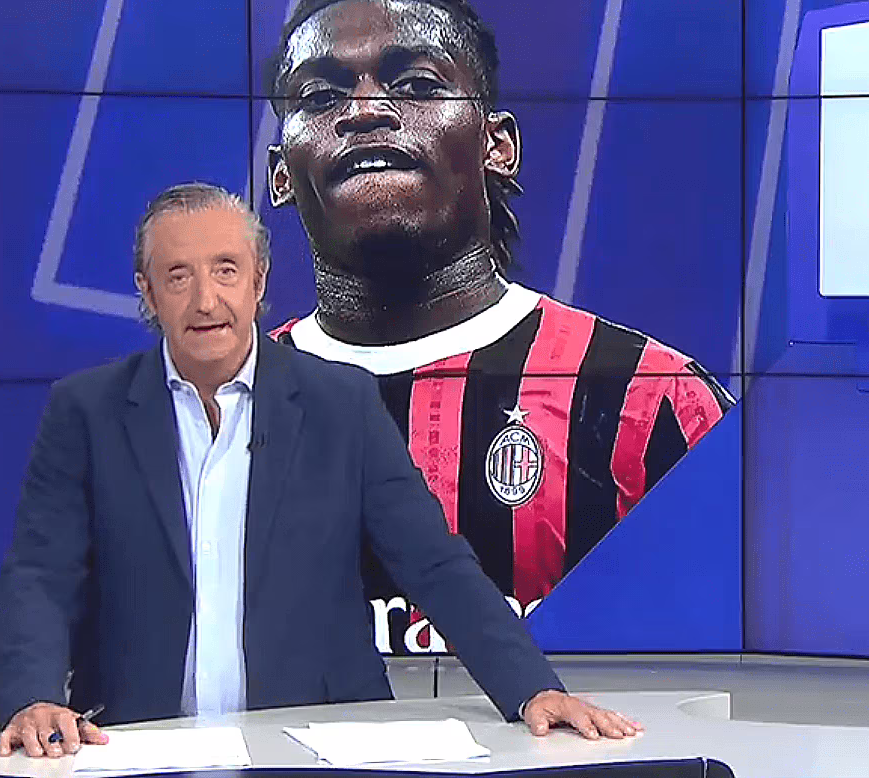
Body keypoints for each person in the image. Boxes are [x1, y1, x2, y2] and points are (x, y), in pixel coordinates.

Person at [0, 183, 640, 758]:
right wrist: (32, 698)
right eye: (178, 276)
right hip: (141, 746)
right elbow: (40, 575)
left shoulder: (340, 402)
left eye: (225, 270)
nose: (206, 300)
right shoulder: (87, 411)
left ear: (259, 281)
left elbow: (433, 563)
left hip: (316, 743)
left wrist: (530, 688)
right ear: (148, 292)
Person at [264, 0, 735, 620]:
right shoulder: (215, 409)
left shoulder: (653, 403)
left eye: (417, 85)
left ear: (497, 145)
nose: (366, 110)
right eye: (322, 96)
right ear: (281, 175)